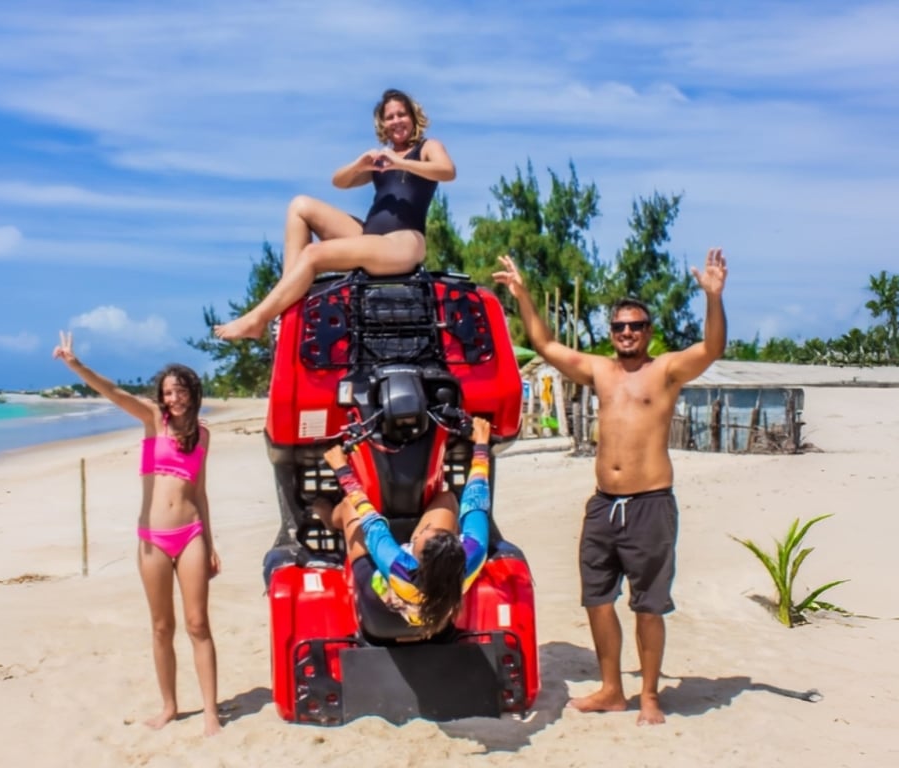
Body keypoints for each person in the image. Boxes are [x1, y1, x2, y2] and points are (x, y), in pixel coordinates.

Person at [492, 249, 728, 725]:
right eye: (620, 326)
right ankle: (612, 690)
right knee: (597, 599)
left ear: (648, 331)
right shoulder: (600, 370)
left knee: (648, 606)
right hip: (603, 506)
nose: (627, 333)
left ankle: (650, 696)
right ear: (612, 332)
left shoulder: (666, 371)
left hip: (650, 505)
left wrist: (713, 297)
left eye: (635, 326)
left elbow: (711, 349)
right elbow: (545, 345)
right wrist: (522, 294)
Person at [52, 331, 223, 736]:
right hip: (152, 540)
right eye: (168, 392)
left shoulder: (203, 435)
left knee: (198, 624)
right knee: (162, 626)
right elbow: (112, 391)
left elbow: (200, 492)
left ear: (192, 393)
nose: (174, 398)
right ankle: (169, 707)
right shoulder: (152, 420)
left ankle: (211, 712)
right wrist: (75, 365)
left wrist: (211, 544)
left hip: (192, 534)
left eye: (180, 391)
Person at [213, 88, 456, 341]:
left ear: (413, 118)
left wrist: (400, 163)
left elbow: (447, 171)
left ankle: (258, 319)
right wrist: (360, 164)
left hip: (404, 242)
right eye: (390, 117)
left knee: (313, 254)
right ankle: (288, 304)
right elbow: (339, 182)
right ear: (382, 124)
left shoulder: (427, 147)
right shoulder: (382, 160)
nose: (396, 121)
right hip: (369, 236)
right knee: (300, 206)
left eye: (402, 114)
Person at [316, 416, 493, 637]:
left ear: (416, 562)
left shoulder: (400, 567)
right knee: (447, 499)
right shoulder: (474, 551)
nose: (420, 533)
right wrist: (481, 446)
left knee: (350, 507)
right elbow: (475, 502)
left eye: (417, 539)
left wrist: (342, 469)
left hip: (389, 596)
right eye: (427, 532)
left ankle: (331, 520)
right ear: (456, 544)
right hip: (438, 604)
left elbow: (373, 523)